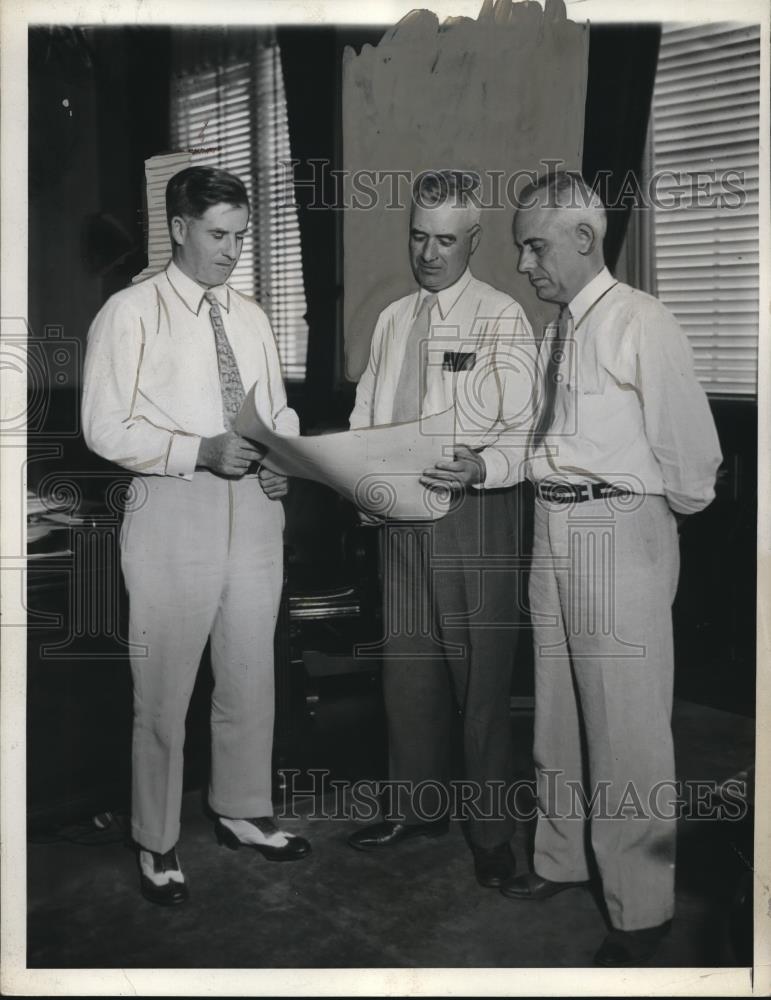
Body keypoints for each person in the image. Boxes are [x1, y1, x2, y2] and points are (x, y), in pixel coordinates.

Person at [502, 171, 722, 965]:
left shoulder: (642, 323)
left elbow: (693, 460)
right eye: (521, 247)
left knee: (625, 726)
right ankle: (560, 860)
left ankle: (640, 908)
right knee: (556, 708)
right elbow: (538, 443)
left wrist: (645, 526)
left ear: (583, 238)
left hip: (615, 527)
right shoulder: (553, 330)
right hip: (550, 522)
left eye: (534, 245)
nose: (525, 262)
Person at [82, 165, 310, 906]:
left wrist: (284, 461)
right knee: (164, 691)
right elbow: (103, 427)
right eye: (219, 235)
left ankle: (242, 810)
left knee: (250, 674)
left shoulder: (248, 315)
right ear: (178, 228)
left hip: (254, 514)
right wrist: (198, 450)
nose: (232, 251)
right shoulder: (130, 312)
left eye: (242, 236)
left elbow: (277, 414)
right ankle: (155, 839)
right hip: (172, 509)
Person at [347, 170, 536, 888]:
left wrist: (481, 469)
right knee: (408, 672)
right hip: (398, 517)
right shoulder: (395, 318)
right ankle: (417, 806)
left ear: (475, 242)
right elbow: (368, 415)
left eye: (446, 241)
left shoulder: (500, 318)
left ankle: (492, 834)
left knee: (480, 686)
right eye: (418, 238)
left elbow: (524, 434)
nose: (429, 254)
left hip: (474, 517)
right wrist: (358, 481)